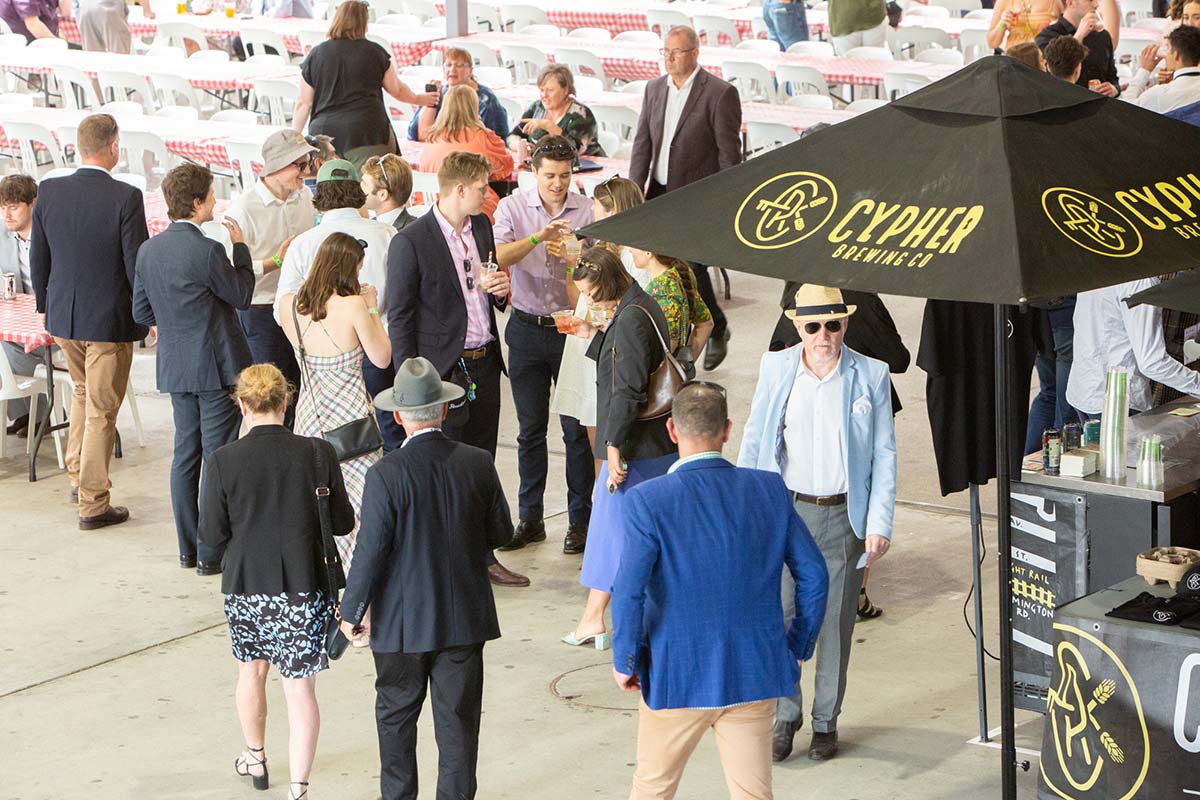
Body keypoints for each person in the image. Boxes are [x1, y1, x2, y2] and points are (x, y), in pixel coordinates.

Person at [612, 382, 830, 800]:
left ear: (672, 431)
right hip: (754, 671)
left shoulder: (647, 501)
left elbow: (629, 590)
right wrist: (798, 645)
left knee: (653, 789)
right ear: (727, 430)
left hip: (676, 675)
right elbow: (815, 575)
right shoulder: (769, 490)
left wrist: (625, 658)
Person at [338, 356, 514, 800]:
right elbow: (501, 534)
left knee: (396, 720)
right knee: (458, 727)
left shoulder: (385, 474)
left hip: (400, 624)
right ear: (443, 409)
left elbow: (370, 551)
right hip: (463, 619)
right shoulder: (477, 462)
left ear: (398, 416)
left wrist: (351, 611)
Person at [739, 284, 897, 763]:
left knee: (834, 625)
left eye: (833, 324)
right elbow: (755, 440)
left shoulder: (872, 373)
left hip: (844, 515)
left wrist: (880, 521)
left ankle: (826, 723)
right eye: (813, 326)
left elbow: (884, 454)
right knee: (782, 618)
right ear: (796, 327)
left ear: (846, 324)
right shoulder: (777, 369)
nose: (823, 335)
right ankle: (786, 716)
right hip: (788, 513)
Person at [199, 363, 355, 800]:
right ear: (286, 402)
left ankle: (255, 757)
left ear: (243, 405)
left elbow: (210, 540)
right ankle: (299, 788)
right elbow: (342, 523)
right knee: (299, 688)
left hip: (246, 586)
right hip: (304, 587)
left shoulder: (222, 461)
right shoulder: (318, 453)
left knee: (251, 671)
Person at [386, 151, 529, 588]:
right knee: (440, 468)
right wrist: (410, 382)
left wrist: (503, 292)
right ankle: (442, 563)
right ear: (460, 189)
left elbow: (486, 291)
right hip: (440, 372)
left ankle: (482, 557)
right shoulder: (410, 241)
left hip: (484, 361)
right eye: (484, 188)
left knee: (479, 463)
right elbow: (400, 316)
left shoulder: (481, 227)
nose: (489, 196)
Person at [133, 164, 254, 574]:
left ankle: (188, 548)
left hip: (177, 365)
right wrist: (241, 248)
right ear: (197, 202)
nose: (216, 202)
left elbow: (141, 311)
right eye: (212, 195)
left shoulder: (148, 250)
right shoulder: (208, 250)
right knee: (217, 457)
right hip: (215, 366)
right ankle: (211, 552)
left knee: (185, 455)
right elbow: (240, 294)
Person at [30, 114, 148, 530]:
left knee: (83, 394)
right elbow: (136, 264)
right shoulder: (127, 197)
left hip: (64, 316)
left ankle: (79, 476)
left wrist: (47, 305)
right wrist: (147, 315)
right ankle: (93, 503)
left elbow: (38, 256)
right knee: (102, 409)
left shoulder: (50, 190)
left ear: (78, 147)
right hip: (108, 322)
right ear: (113, 146)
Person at [565, 247, 676, 648]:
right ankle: (593, 617)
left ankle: (594, 619)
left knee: (612, 531)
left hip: (636, 444)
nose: (590, 300)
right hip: (654, 441)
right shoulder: (641, 305)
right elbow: (634, 361)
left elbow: (627, 388)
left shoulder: (629, 318)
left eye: (593, 292)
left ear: (610, 280)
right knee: (622, 532)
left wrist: (612, 447)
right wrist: (596, 338)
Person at [492, 135, 595, 555]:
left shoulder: (587, 210)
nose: (557, 184)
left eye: (565, 176)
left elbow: (598, 269)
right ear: (532, 172)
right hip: (527, 326)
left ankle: (579, 522)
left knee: (574, 431)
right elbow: (497, 257)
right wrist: (537, 239)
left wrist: (574, 256)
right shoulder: (512, 208)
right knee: (530, 431)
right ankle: (530, 518)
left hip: (570, 329)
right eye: (550, 176)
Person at [629, 26, 740, 371]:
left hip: (697, 198)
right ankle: (693, 331)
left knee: (692, 265)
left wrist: (724, 203)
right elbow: (643, 143)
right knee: (670, 267)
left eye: (676, 51)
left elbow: (729, 155)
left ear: (694, 53)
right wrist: (634, 191)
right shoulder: (653, 88)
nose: (669, 57)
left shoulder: (719, 94)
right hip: (659, 191)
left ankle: (713, 325)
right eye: (665, 51)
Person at [279, 233, 391, 571]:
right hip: (353, 424)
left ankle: (327, 577)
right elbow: (382, 357)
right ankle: (357, 583)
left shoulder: (290, 305)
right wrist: (372, 306)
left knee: (319, 505)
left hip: (311, 423)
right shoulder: (354, 306)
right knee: (357, 510)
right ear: (349, 268)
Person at [274, 159, 399, 450]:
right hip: (382, 344)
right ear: (357, 190)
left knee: (326, 443)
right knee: (388, 431)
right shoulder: (386, 234)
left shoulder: (303, 244)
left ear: (319, 193)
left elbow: (282, 310)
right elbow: (404, 296)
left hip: (324, 359)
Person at [548, 176, 647, 518]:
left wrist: (597, 327)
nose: (592, 213)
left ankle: (610, 517)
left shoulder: (632, 255)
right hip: (589, 345)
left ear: (614, 210)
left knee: (607, 445)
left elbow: (630, 314)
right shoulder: (601, 250)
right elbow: (581, 300)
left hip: (609, 352)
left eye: (599, 207)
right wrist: (571, 265)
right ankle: (603, 515)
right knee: (595, 442)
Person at [226, 130, 319, 431]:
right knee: (269, 392)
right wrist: (274, 262)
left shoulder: (305, 196)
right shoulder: (244, 208)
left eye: (308, 164)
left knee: (302, 385)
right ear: (277, 166)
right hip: (261, 309)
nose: (307, 172)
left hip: (300, 305)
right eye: (300, 165)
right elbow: (230, 270)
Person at [293, 1, 437, 169]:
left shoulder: (316, 54)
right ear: (364, 23)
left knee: (330, 190)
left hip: (324, 134)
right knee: (370, 189)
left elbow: (304, 103)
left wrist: (294, 138)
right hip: (368, 132)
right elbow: (396, 90)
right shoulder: (375, 52)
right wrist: (420, 99)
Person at [1066, 278, 1200, 415]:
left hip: (1084, 389)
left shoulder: (1099, 267)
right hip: (1117, 401)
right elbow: (1152, 363)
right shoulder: (1142, 283)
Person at [417, 84, 513, 221]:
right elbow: (505, 167)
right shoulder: (484, 138)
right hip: (474, 211)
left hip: (430, 208)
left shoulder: (432, 138)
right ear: (475, 107)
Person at [0, 174, 44, 436]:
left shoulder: (50, 235)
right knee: (5, 346)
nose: (7, 214)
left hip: (51, 322)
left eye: (14, 206)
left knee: (5, 349)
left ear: (33, 204)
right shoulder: (3, 235)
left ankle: (45, 413)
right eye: (3, 206)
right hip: (19, 316)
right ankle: (26, 413)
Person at [408, 46, 510, 142]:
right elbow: (419, 135)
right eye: (448, 65)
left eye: (459, 65)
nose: (452, 69)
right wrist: (431, 103)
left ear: (470, 70)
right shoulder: (440, 93)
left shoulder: (485, 99)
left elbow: (495, 139)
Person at [631, 249, 713, 360]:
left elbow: (670, 345)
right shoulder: (677, 273)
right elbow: (705, 323)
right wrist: (687, 360)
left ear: (648, 252)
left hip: (655, 373)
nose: (630, 250)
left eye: (633, 247)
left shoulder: (662, 290)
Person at [509, 64, 605, 157]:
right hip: (546, 168)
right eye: (542, 90)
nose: (544, 95)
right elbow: (513, 135)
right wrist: (518, 145)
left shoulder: (581, 115)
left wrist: (549, 126)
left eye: (550, 90)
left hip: (585, 168)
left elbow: (574, 150)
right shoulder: (537, 108)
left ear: (565, 90)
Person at [1036, 0, 1119, 95]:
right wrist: (1079, 36)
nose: (1096, 4)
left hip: (1101, 107)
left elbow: (1113, 77)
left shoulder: (1102, 36)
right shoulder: (1046, 37)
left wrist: (1114, 89)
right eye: (1090, 0)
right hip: (1067, 107)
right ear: (1070, 2)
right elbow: (1053, 78)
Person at [1125, 25, 1200, 111]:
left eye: (1167, 48)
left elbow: (1124, 109)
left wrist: (1144, 70)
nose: (1165, 54)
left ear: (1176, 55)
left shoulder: (1159, 94)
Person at [361, 153, 416, 231]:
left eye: (365, 184)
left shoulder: (409, 234)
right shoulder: (370, 225)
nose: (359, 187)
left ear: (382, 195)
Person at [78, 0, 153, 53]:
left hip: (85, 8)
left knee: (93, 58)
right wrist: (147, 11)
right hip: (108, 7)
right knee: (119, 57)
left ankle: (97, 75)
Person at [987, 0, 1063, 50]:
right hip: (1013, 62)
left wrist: (1055, 27)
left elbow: (1070, 32)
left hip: (1043, 63)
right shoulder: (1004, 1)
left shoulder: (1056, 2)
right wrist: (1002, 23)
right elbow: (992, 43)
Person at [0, 0, 66, 42]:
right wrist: (58, 43)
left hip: (44, 41)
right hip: (25, 47)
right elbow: (33, 24)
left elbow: (65, 12)